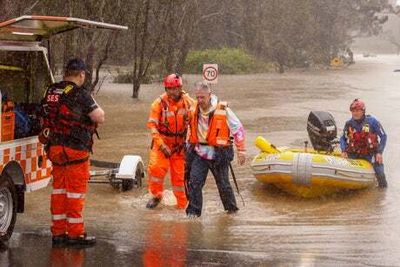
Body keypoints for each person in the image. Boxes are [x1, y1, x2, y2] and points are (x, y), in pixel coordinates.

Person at [41, 58, 104, 247]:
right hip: (75, 149)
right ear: (82, 74)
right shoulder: (80, 93)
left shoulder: (51, 90)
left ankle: (58, 233)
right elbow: (99, 117)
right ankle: (75, 235)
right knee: (75, 193)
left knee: (59, 191)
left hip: (54, 148)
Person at [185, 81, 246, 217]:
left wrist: (241, 150)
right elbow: (189, 129)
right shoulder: (193, 109)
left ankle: (231, 212)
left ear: (209, 95)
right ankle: (193, 214)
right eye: (198, 97)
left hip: (219, 154)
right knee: (194, 183)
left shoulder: (223, 110)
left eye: (203, 97)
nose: (200, 101)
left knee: (223, 185)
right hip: (200, 153)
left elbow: (238, 129)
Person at [146, 73, 193, 209]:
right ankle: (156, 196)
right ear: (166, 89)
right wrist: (161, 145)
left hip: (179, 147)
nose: (173, 92)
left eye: (176, 88)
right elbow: (152, 127)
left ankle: (182, 206)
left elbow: (197, 116)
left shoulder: (188, 102)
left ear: (180, 88)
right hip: (162, 144)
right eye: (170, 89)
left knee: (180, 179)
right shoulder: (158, 104)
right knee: (156, 169)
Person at [340, 99, 387, 188]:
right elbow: (343, 138)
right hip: (353, 153)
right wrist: (343, 150)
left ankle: (381, 195)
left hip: (370, 153)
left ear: (363, 111)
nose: (355, 113)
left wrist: (379, 152)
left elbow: (384, 136)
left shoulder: (372, 122)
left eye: (357, 111)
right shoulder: (349, 123)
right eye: (353, 111)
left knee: (381, 175)